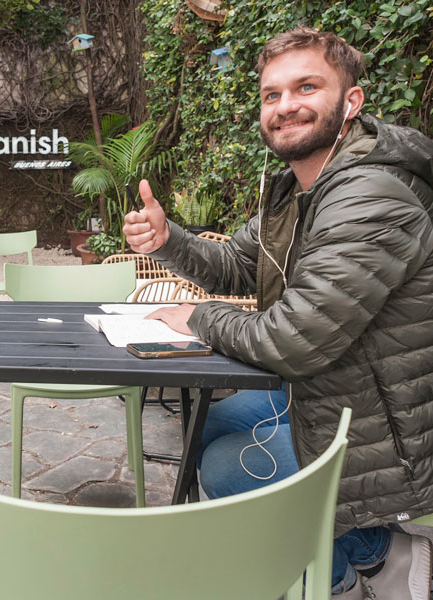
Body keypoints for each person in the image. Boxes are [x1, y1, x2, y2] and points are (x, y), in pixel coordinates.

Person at [123, 27, 433, 599]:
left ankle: (357, 573)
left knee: (226, 468)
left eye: (306, 87)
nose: (285, 105)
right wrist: (168, 239)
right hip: (335, 389)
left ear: (351, 102)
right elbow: (235, 264)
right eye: (272, 94)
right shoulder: (297, 190)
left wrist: (199, 318)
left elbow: (291, 340)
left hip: (393, 427)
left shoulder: (371, 197)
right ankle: (365, 552)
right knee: (207, 425)